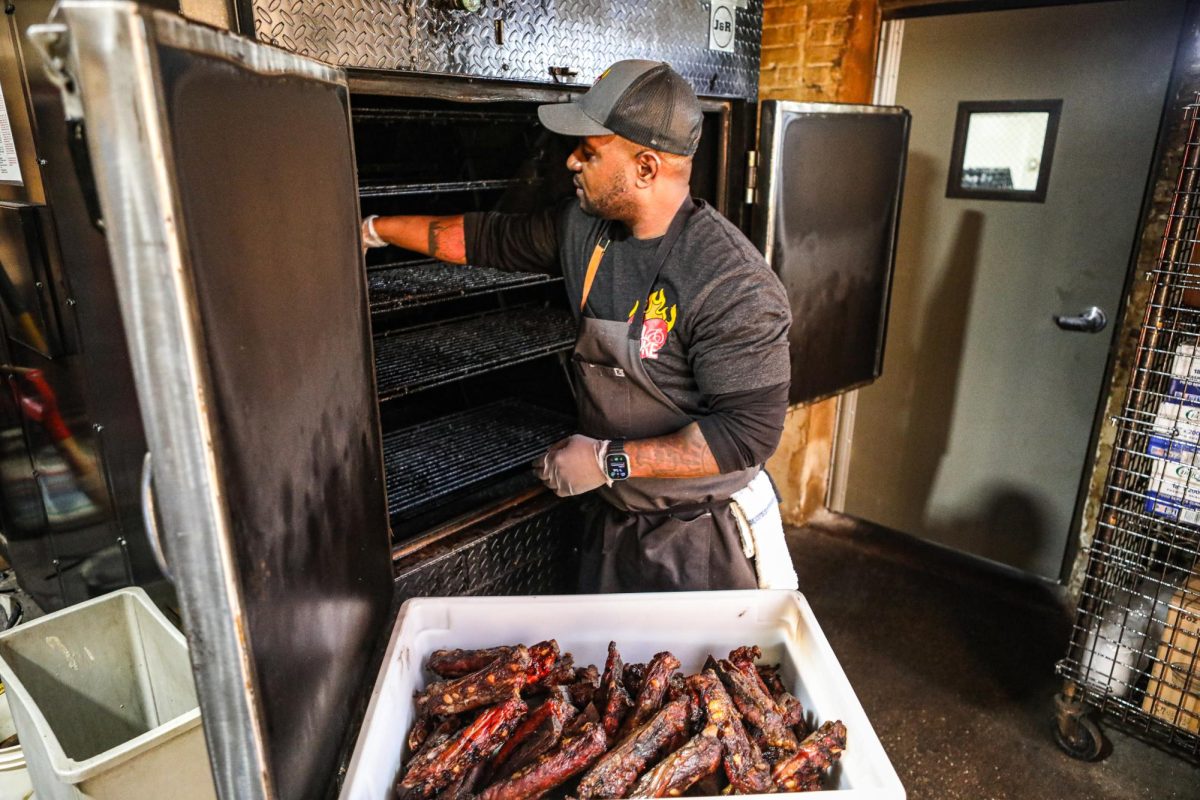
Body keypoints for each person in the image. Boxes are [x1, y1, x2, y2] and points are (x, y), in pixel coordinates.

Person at [361, 60, 792, 592]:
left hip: (699, 538)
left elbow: (747, 435)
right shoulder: (584, 228)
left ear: (647, 167)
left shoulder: (731, 282)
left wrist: (608, 459)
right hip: (613, 518)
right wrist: (374, 229)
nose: (570, 162)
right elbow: (486, 238)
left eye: (589, 152)